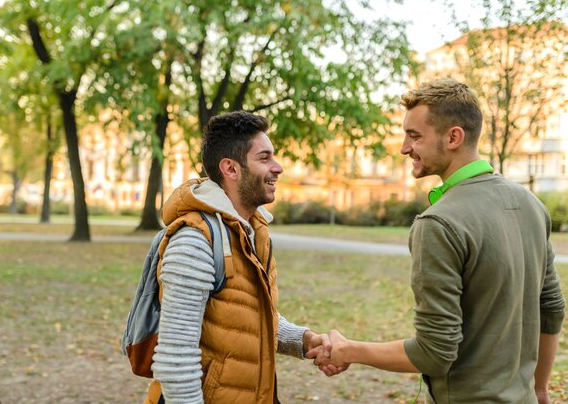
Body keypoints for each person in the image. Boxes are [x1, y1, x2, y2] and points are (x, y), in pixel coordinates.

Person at [309, 78, 566, 403]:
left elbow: (435, 352)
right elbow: (553, 309)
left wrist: (349, 350)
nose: (404, 147)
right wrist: (540, 389)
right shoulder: (531, 203)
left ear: (454, 137)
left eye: (414, 136)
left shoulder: (438, 223)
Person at [145, 111, 335, 404]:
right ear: (230, 169)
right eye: (264, 158)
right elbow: (175, 361)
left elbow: (246, 315)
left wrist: (303, 339)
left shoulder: (251, 231)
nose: (278, 167)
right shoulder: (195, 241)